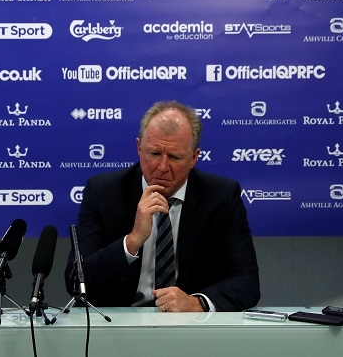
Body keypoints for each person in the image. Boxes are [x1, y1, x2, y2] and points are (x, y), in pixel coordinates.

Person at [64, 100, 260, 312]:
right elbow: (76, 281)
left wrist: (197, 303)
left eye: (175, 157)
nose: (163, 167)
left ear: (194, 157)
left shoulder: (221, 197)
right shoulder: (103, 192)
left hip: (188, 323)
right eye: (154, 153)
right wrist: (132, 240)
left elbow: (247, 282)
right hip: (118, 323)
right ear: (139, 147)